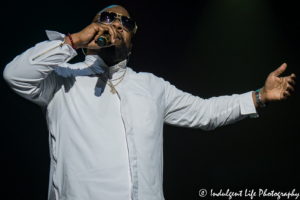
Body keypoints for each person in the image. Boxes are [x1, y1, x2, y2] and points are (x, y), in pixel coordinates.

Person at [3, 4, 296, 200]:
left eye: (125, 22)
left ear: (132, 41)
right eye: (106, 18)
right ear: (93, 28)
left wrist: (259, 96)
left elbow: (205, 112)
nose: (116, 24)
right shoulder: (63, 77)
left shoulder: (151, 86)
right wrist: (73, 42)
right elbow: (15, 75)